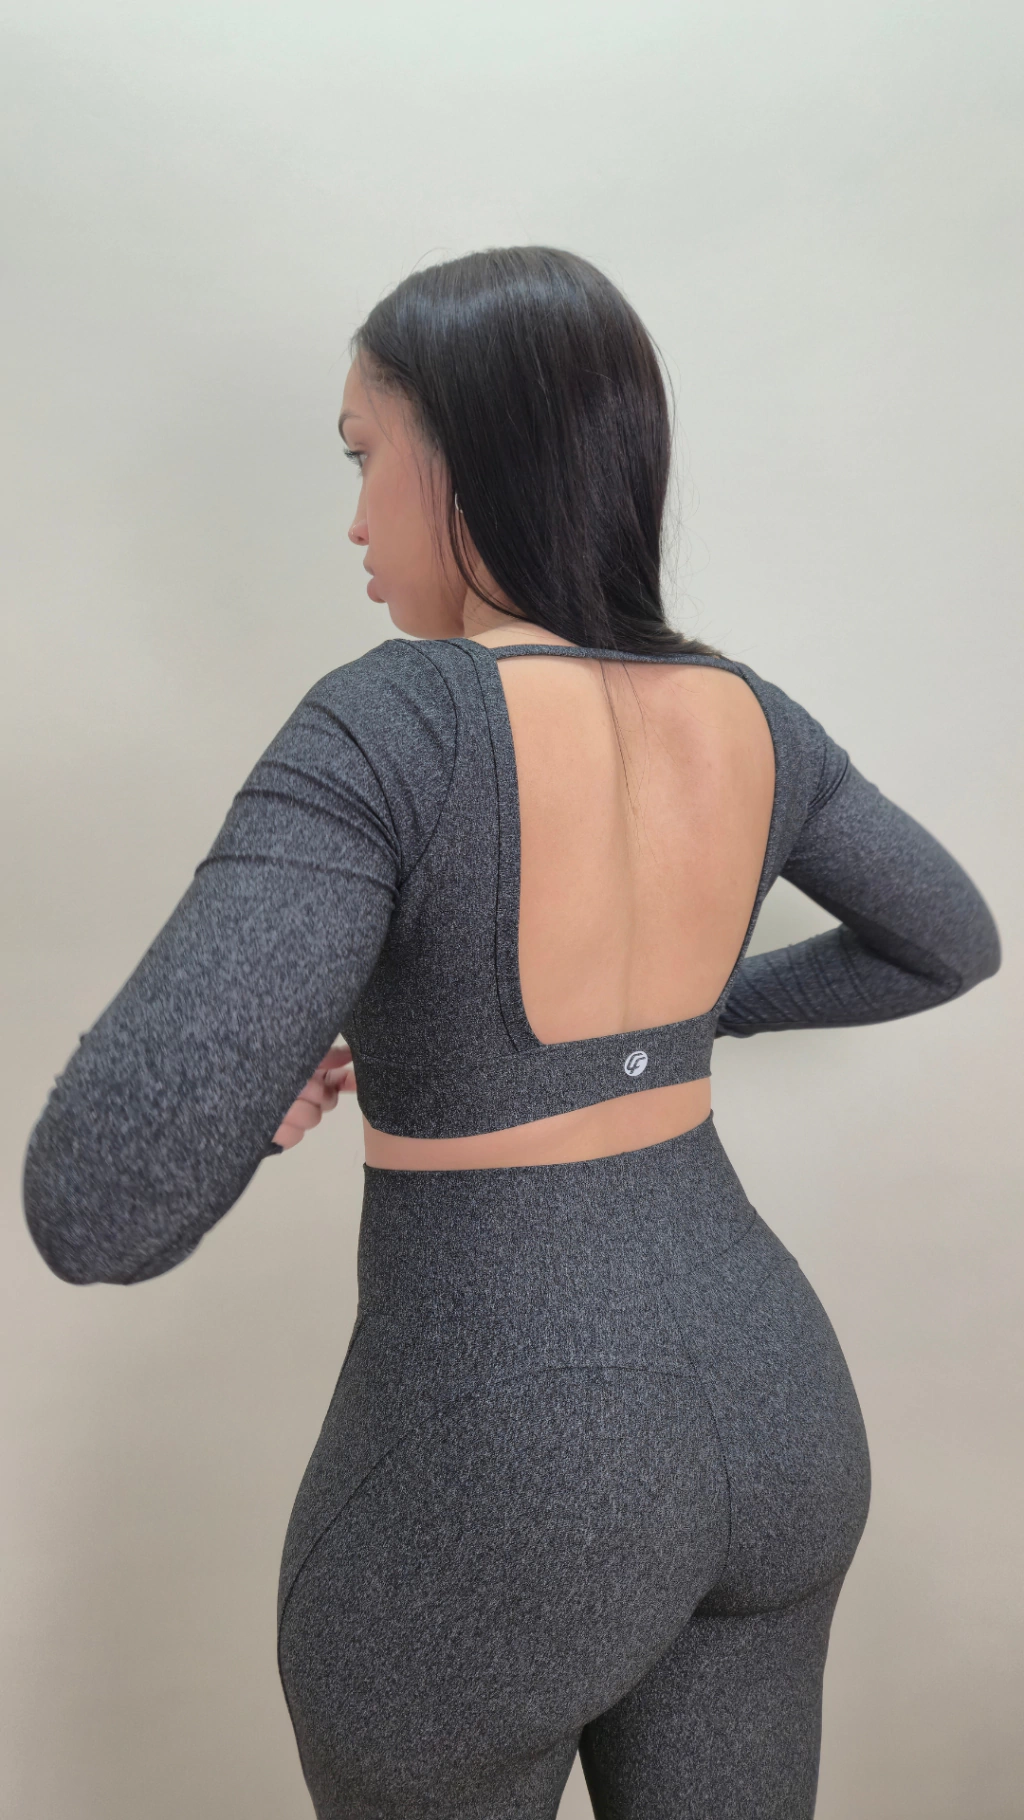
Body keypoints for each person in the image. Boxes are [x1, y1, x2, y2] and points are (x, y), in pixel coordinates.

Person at [22, 246, 1000, 1820]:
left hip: (516, 1454)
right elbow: (951, 939)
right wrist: (689, 1016)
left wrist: (251, 1090)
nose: (353, 520)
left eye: (363, 455)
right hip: (778, 1409)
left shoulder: (392, 724)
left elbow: (99, 1200)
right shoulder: (749, 715)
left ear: (464, 453)